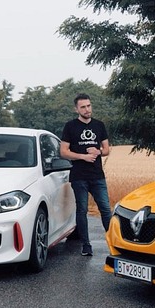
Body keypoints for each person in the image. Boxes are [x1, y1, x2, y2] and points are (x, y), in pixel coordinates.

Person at [60, 93, 113, 257]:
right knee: (82, 210)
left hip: (97, 175)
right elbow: (63, 152)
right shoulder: (70, 127)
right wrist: (83, 156)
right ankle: (86, 245)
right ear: (76, 109)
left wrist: (97, 151)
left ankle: (115, 243)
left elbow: (106, 150)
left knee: (105, 209)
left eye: (89, 106)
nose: (87, 109)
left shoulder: (99, 125)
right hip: (79, 176)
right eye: (83, 107)